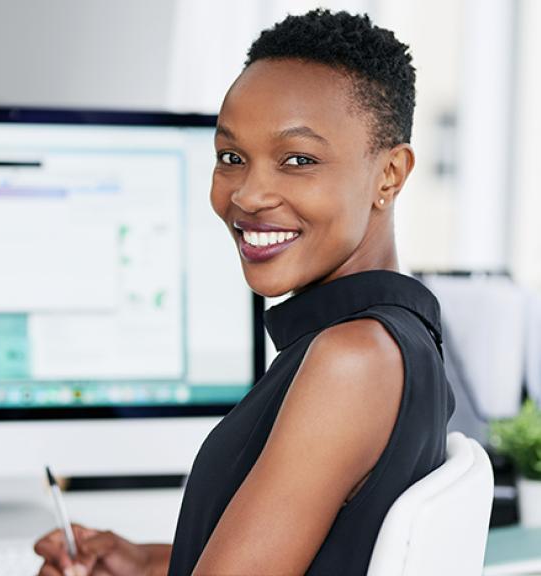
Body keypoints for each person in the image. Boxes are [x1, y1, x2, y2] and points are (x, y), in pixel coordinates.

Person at [35, 8, 454, 575]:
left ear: (390, 175)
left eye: (298, 160)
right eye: (232, 157)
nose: (250, 194)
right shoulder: (395, 336)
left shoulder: (351, 361)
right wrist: (145, 564)